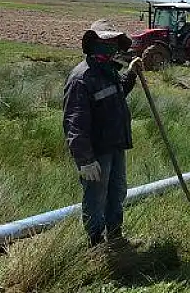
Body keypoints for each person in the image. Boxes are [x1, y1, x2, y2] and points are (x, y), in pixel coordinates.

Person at [63, 19, 142, 248]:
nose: (111, 47)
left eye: (114, 42)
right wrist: (85, 160)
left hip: (115, 144)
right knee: (96, 198)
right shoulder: (82, 78)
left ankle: (115, 237)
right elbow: (74, 123)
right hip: (97, 151)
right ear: (93, 43)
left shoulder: (108, 71)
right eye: (106, 41)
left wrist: (131, 75)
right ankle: (96, 244)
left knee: (117, 192)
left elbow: (116, 96)